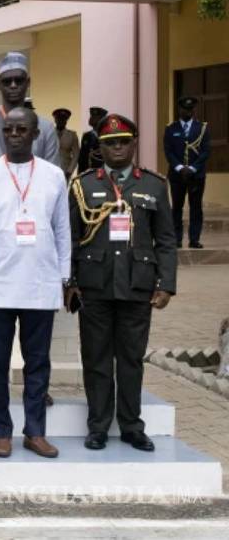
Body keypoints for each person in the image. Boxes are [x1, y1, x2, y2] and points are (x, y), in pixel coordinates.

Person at [68, 113, 177, 453]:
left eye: (123, 141)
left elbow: (167, 240)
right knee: (97, 358)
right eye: (109, 143)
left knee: (130, 359)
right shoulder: (84, 184)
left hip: (137, 285)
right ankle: (98, 426)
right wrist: (70, 281)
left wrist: (167, 284)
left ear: (134, 144)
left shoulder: (154, 185)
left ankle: (131, 426)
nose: (116, 147)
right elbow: (71, 237)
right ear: (99, 148)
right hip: (94, 285)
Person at [0, 107, 71, 459]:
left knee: (38, 362)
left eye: (21, 129)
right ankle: (1, 432)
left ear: (36, 134)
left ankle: (35, 432)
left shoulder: (55, 176)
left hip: (40, 283)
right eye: (8, 129)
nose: (14, 134)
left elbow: (62, 228)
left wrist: (64, 275)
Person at [0, 51, 61, 405]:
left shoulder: (45, 126)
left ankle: (38, 386)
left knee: (36, 312)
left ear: (28, 83)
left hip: (34, 232)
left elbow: (52, 181)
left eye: (20, 79)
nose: (15, 86)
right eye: (8, 81)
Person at [164, 96, 211, 248]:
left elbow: (205, 151)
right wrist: (180, 168)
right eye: (185, 109)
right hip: (177, 176)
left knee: (196, 207)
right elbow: (168, 151)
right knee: (177, 207)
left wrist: (192, 168)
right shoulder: (171, 128)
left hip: (196, 175)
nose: (188, 112)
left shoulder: (202, 128)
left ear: (194, 110)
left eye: (191, 109)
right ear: (180, 109)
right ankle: (176, 239)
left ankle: (194, 239)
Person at [77, 106, 108, 173]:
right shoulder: (86, 136)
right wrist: (80, 173)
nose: (91, 118)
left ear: (102, 119)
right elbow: (82, 157)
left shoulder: (107, 136)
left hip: (103, 171)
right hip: (88, 172)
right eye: (91, 116)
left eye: (95, 117)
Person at [53, 108, 80, 177]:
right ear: (55, 120)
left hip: (65, 170)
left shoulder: (72, 135)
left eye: (63, 119)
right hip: (50, 168)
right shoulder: (50, 133)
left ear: (66, 120)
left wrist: (70, 171)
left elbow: (76, 155)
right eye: (59, 119)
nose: (61, 121)